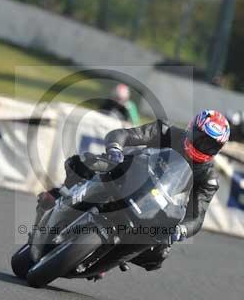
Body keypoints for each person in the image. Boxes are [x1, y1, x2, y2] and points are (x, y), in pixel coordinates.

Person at [36, 110, 230, 273]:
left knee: (159, 253)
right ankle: (59, 197)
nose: (203, 146)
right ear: (191, 128)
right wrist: (115, 149)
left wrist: (181, 230)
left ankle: (104, 261)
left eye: (210, 145)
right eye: (201, 138)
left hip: (155, 202)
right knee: (84, 163)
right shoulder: (165, 131)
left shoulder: (209, 177)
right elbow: (124, 135)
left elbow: (197, 216)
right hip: (126, 173)